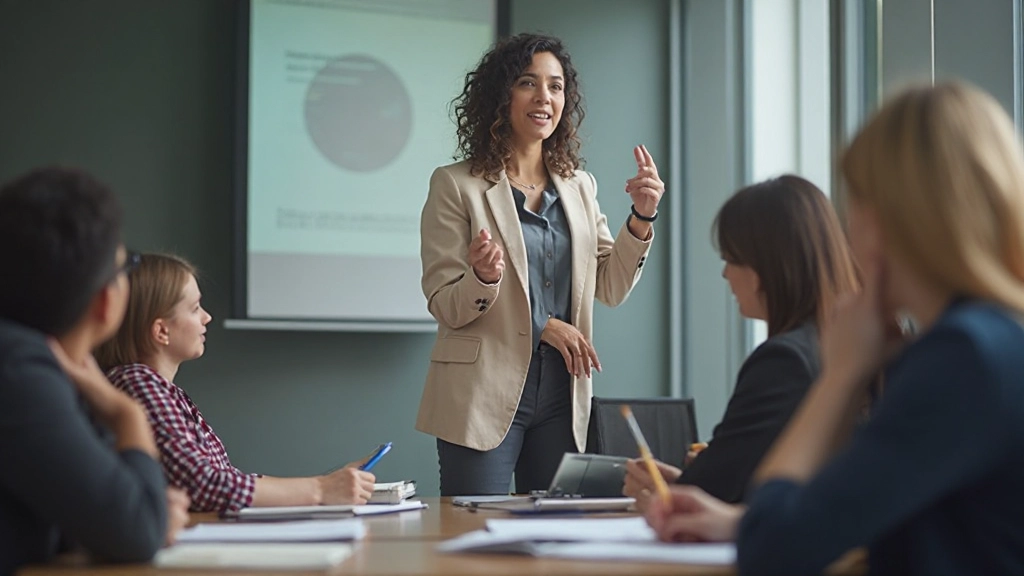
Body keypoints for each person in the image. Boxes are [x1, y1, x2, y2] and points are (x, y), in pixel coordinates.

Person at [647, 82, 1024, 575]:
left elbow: (772, 551)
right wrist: (740, 521)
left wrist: (840, 376)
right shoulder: (998, 341)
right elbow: (879, 509)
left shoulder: (960, 358)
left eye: (856, 206)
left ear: (890, 221)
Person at [416, 32, 666, 495]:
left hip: (562, 393)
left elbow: (609, 286)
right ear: (501, 95)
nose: (544, 97)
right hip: (480, 391)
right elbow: (445, 303)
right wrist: (484, 279)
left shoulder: (580, 187)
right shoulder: (456, 186)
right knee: (474, 542)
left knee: (556, 540)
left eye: (555, 86)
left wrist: (642, 217)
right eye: (528, 83)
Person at [623, 175, 859, 508]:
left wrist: (673, 496)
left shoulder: (783, 362)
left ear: (764, 266)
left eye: (731, 259)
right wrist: (683, 486)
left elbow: (716, 483)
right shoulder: (845, 347)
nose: (725, 274)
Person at [0, 167, 189, 575]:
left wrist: (144, 511)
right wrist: (128, 415)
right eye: (127, 267)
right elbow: (135, 531)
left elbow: (88, 511)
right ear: (106, 300)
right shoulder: (18, 369)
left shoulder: (39, 367)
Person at [95, 253, 376, 513]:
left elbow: (226, 481)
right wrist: (320, 489)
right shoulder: (138, 383)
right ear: (161, 331)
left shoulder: (159, 389)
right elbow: (204, 485)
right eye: (194, 309)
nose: (207, 317)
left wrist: (326, 484)